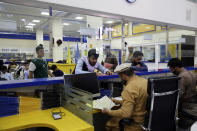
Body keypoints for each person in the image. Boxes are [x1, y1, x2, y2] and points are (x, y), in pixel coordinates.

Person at [102, 63, 148, 131]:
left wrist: (108, 111)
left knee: (109, 124)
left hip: (135, 124)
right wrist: (118, 101)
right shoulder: (144, 81)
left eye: (119, 77)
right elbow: (138, 101)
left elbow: (126, 113)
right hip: (145, 121)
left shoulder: (129, 88)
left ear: (123, 75)